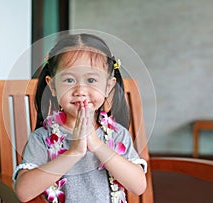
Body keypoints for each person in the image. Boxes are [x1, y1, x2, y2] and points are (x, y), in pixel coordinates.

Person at [13, 33, 147, 203]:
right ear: (52, 86)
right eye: (69, 79)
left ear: (108, 86)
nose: (81, 90)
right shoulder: (42, 138)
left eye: (91, 79)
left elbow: (138, 186)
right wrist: (74, 152)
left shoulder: (117, 135)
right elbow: (23, 192)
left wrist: (97, 145)